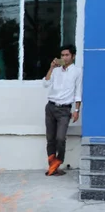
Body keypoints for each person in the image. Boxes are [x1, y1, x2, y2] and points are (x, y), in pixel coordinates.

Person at [42, 44, 82, 176]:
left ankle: (58, 162)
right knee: (50, 139)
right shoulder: (56, 70)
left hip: (65, 110)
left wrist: (77, 110)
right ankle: (52, 167)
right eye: (62, 55)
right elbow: (45, 83)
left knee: (60, 138)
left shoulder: (77, 72)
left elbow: (78, 92)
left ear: (73, 56)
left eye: (67, 55)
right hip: (51, 107)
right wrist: (51, 68)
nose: (64, 57)